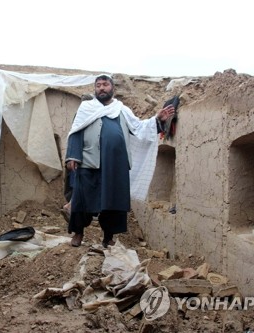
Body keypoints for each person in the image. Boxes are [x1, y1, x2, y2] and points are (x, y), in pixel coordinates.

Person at [65, 74, 175, 248]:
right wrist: (73, 155)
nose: (101, 88)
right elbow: (75, 131)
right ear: (95, 89)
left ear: (112, 88)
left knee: (113, 202)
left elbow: (139, 128)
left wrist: (156, 120)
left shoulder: (122, 109)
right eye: (98, 85)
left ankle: (108, 237)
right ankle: (78, 233)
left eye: (105, 84)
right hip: (89, 161)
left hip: (116, 165)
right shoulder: (86, 108)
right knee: (82, 199)